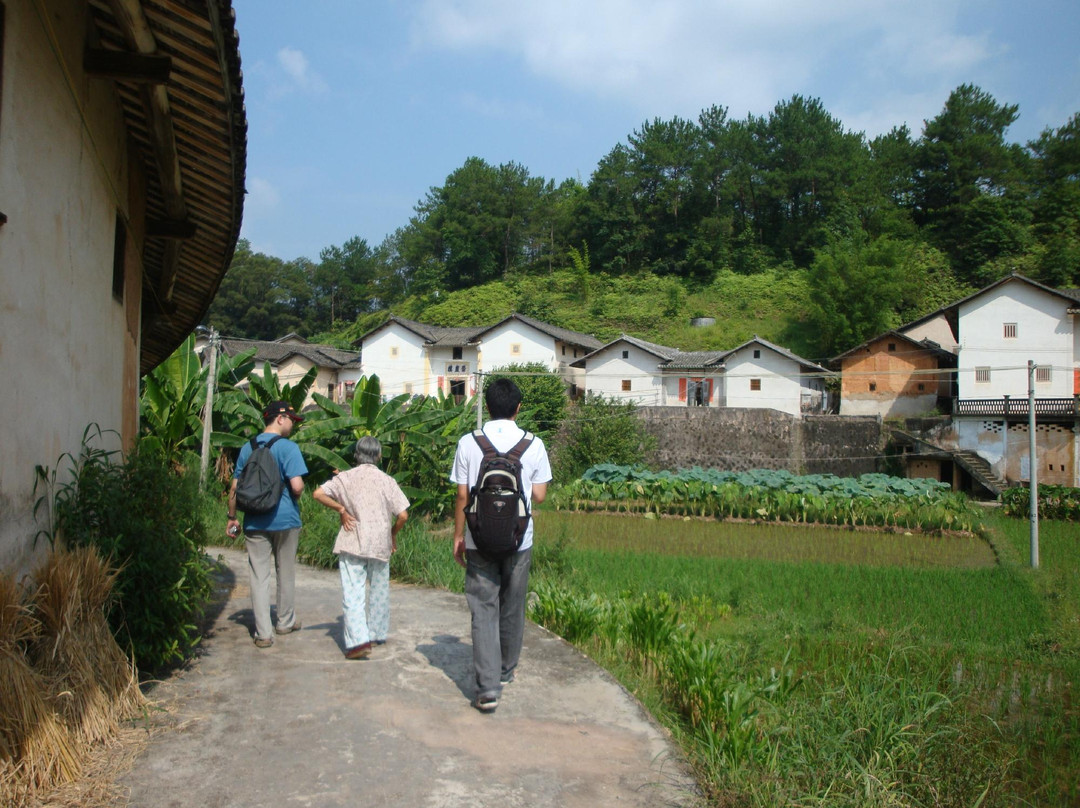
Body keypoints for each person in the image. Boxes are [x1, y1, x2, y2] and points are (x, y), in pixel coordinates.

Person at [451, 378, 551, 712]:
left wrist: (458, 536)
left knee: (483, 608)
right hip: (520, 539)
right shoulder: (533, 444)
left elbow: (463, 495)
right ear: (518, 408)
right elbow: (538, 495)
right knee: (512, 605)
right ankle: (506, 670)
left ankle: (487, 689)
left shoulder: (469, 442)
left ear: (487, 405)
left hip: (478, 538)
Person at [312, 436, 409, 660]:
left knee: (353, 592)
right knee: (379, 590)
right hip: (379, 541)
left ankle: (358, 641)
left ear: (356, 455)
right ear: (378, 455)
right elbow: (403, 514)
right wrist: (392, 534)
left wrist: (341, 509)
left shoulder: (345, 478)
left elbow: (318, 494)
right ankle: (376, 633)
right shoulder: (387, 480)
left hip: (352, 538)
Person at [227, 401, 309, 649]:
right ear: (280, 418)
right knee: (285, 572)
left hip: (254, 521)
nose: (293, 425)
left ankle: (263, 633)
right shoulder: (289, 448)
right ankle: (284, 622)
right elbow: (297, 486)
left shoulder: (246, 448)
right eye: (292, 420)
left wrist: (232, 518)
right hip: (285, 520)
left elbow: (234, 488)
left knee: (258, 576)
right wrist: (296, 496)